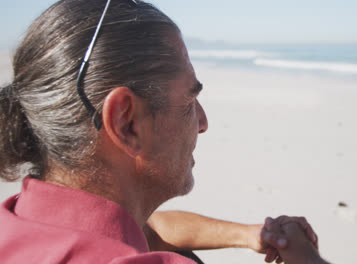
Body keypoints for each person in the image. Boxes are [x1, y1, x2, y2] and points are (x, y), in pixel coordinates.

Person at [0, 0, 329, 263]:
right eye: (190, 100)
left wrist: (253, 234)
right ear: (127, 123)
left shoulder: (19, 221)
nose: (202, 122)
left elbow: (148, 228)